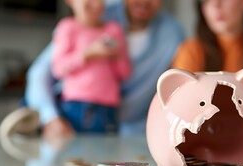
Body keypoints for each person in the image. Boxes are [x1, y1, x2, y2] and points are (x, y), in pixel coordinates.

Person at [25, 0, 185, 138]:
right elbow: (41, 72)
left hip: (127, 129)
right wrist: (50, 118)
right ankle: (28, 119)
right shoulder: (94, 14)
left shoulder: (173, 34)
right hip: (70, 110)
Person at [52, 0, 131, 133]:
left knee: (106, 150)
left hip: (108, 108)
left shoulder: (114, 30)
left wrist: (117, 56)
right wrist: (88, 53)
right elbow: (58, 69)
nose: (95, 4)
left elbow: (124, 73)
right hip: (76, 106)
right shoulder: (68, 27)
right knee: (75, 150)